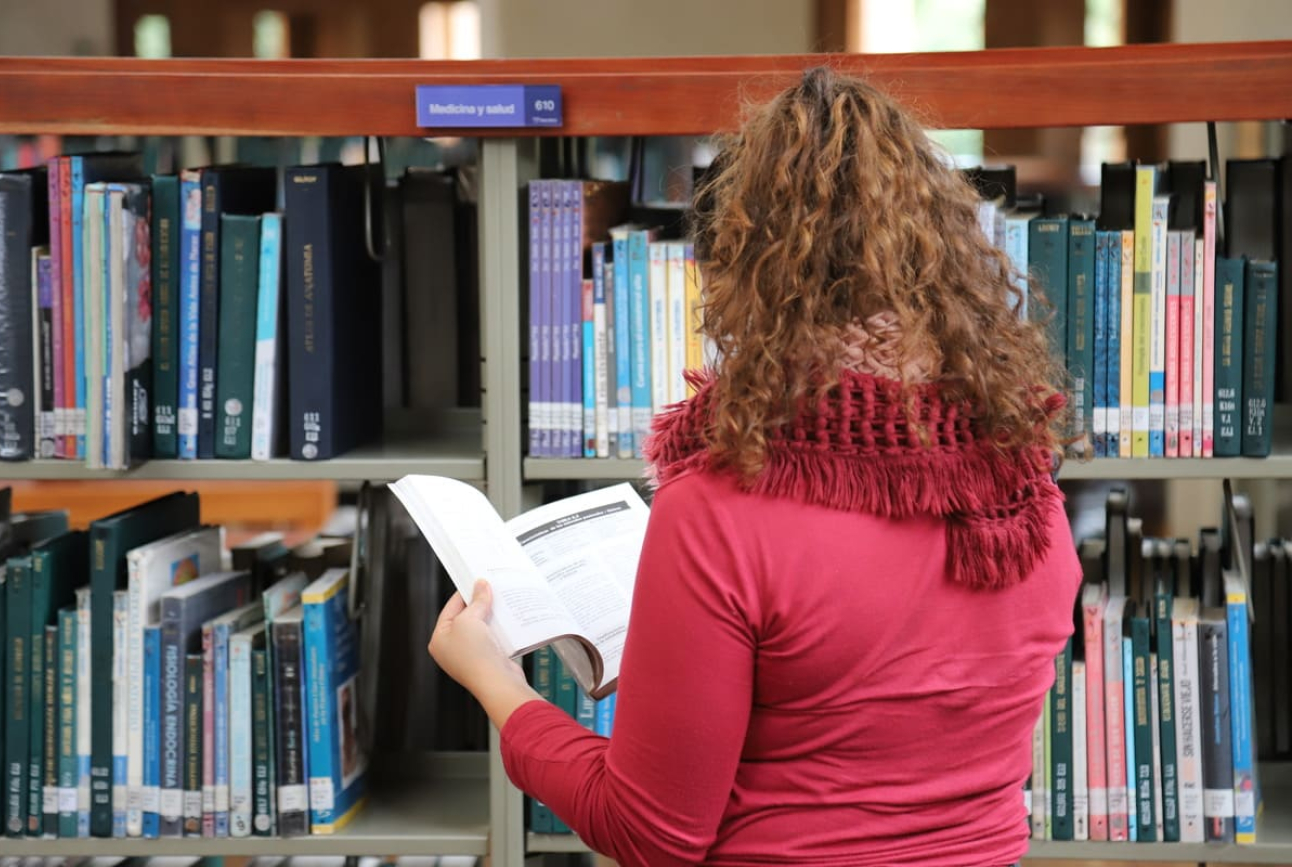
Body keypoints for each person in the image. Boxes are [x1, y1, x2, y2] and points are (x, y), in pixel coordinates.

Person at [427, 66, 1082, 867]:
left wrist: (500, 685)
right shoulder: (1023, 480)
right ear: (947, 255)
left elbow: (651, 834)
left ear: (747, 268)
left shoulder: (719, 507)